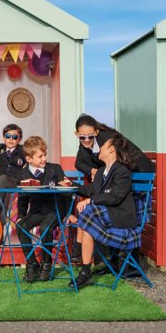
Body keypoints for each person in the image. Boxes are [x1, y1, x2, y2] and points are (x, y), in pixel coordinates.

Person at [72, 114, 155, 273]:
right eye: (82, 137)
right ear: (77, 134)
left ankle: (131, 267)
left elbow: (121, 162)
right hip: (119, 180)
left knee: (132, 219)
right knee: (113, 215)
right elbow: (79, 162)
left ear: (96, 132)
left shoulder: (108, 139)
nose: (86, 140)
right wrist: (93, 170)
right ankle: (114, 264)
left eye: (89, 136)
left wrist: (110, 176)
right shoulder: (85, 142)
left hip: (138, 174)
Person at [62, 134, 137, 289]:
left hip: (120, 216)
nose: (99, 147)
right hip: (104, 216)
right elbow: (90, 190)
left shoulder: (122, 172)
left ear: (111, 149)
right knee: (88, 217)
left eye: (103, 145)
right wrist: (71, 185)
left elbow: (115, 197)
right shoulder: (102, 171)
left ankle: (78, 253)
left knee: (88, 212)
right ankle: (85, 271)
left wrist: (91, 201)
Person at [17, 136, 70, 282]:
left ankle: (47, 264)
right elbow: (22, 198)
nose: (44, 158)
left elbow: (67, 194)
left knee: (46, 227)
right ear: (29, 159)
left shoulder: (55, 169)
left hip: (54, 210)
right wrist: (21, 214)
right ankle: (32, 263)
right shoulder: (23, 174)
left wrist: (67, 214)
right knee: (20, 226)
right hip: (36, 212)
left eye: (45, 155)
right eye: (40, 156)